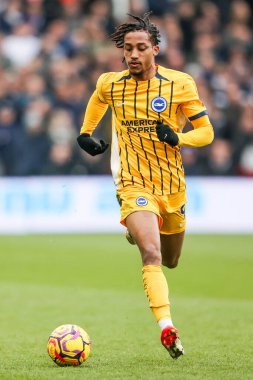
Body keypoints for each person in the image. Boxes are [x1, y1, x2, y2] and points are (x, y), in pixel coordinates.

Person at [77, 12, 214, 359]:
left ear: (155, 49)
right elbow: (97, 99)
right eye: (128, 49)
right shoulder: (111, 82)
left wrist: (180, 137)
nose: (133, 54)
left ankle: (136, 230)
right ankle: (167, 328)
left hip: (172, 186)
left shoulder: (180, 84)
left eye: (141, 48)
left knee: (170, 261)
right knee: (150, 254)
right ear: (122, 53)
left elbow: (207, 132)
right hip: (133, 183)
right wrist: (85, 133)